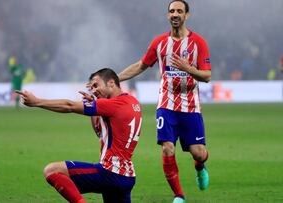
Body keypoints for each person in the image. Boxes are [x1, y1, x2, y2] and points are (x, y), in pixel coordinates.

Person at [118, 1, 211, 202]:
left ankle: (200, 166)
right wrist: (116, 78)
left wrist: (188, 69)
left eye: (179, 11)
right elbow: (141, 65)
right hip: (166, 105)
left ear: (187, 15)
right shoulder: (159, 42)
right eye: (171, 11)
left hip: (190, 106)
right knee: (167, 147)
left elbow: (207, 76)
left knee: (199, 153)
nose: (175, 14)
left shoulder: (199, 43)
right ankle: (179, 195)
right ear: (167, 16)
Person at [16, 68, 142, 203]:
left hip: (110, 173)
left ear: (111, 83)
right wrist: (95, 108)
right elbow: (100, 133)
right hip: (127, 176)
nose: (93, 90)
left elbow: (69, 106)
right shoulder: (132, 102)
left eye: (96, 85)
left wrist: (37, 102)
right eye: (91, 87)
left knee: (52, 171)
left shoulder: (113, 104)